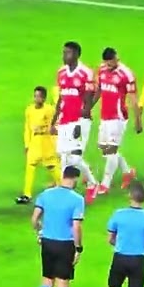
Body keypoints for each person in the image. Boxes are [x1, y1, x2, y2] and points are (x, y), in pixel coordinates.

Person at [28, 165, 85, 287]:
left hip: (47, 243)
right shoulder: (77, 199)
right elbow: (76, 226)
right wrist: (78, 247)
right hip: (65, 245)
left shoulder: (46, 194)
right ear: (74, 179)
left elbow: (34, 219)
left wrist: (39, 232)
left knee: (46, 281)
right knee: (62, 285)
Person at [53, 42, 99, 200]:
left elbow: (88, 99)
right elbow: (61, 98)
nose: (64, 56)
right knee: (62, 155)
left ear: (77, 54)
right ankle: (66, 186)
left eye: (68, 53)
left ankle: (93, 183)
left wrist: (80, 122)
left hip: (79, 121)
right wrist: (54, 121)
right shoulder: (61, 72)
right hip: (64, 119)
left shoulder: (86, 73)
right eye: (63, 52)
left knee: (74, 157)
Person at [96, 48, 141, 195]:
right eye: (107, 63)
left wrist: (138, 120)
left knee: (112, 150)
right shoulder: (102, 70)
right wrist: (88, 106)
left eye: (112, 62)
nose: (109, 66)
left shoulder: (126, 74)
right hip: (105, 116)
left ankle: (105, 184)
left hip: (118, 117)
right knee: (104, 148)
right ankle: (128, 172)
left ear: (116, 58)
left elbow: (134, 98)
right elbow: (99, 90)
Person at [19, 86, 60, 204]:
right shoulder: (29, 110)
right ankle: (27, 194)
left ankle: (63, 185)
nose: (36, 99)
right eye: (35, 96)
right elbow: (27, 128)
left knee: (51, 166)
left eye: (39, 97)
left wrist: (54, 140)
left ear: (44, 98)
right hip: (35, 141)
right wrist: (27, 144)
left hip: (46, 140)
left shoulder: (49, 110)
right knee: (30, 166)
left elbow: (54, 126)